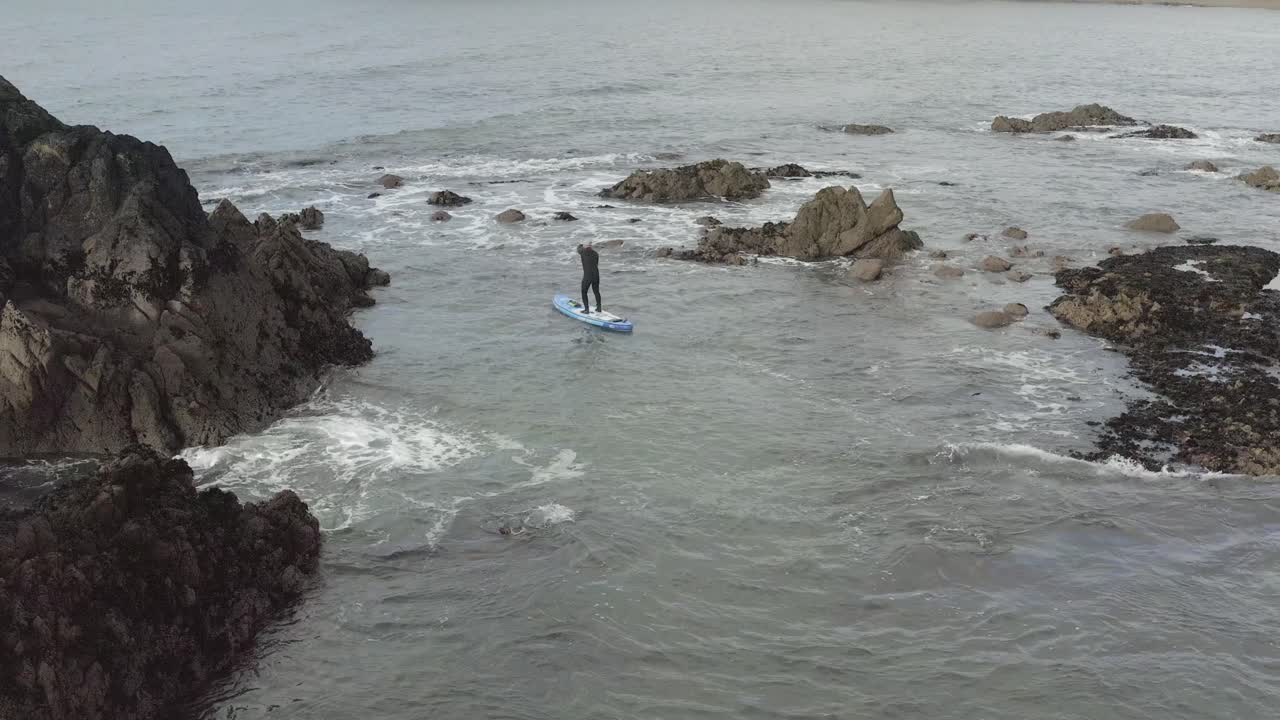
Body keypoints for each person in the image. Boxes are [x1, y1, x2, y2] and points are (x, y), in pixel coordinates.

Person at [577, 242, 601, 314]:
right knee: (596, 291)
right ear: (591, 246)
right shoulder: (596, 253)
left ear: (585, 247)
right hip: (596, 275)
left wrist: (581, 244)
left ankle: (586, 310)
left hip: (588, 276)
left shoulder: (583, 252)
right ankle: (599, 308)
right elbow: (596, 263)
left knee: (584, 292)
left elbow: (578, 249)